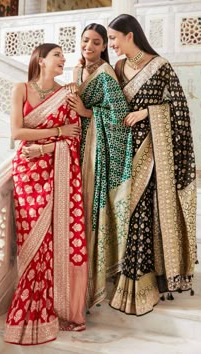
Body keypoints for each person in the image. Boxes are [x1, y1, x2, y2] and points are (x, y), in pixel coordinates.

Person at [107, 14, 197, 316]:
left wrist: (147, 113)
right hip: (123, 154)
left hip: (153, 153)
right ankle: (124, 276)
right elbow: (109, 104)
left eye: (113, 38)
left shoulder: (160, 67)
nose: (112, 45)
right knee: (125, 214)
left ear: (129, 35)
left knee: (143, 213)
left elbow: (179, 110)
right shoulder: (118, 69)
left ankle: (145, 281)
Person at [4, 43, 87, 345]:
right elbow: (16, 132)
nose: (63, 60)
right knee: (31, 242)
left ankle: (53, 306)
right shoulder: (20, 89)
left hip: (56, 172)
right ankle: (27, 305)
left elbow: (74, 138)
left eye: (64, 57)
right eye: (57, 56)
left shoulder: (67, 95)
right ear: (41, 60)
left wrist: (50, 145)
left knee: (51, 243)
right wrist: (57, 133)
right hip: (28, 175)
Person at [67, 23, 133, 309]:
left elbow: (119, 117)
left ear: (105, 45)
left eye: (96, 42)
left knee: (89, 213)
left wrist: (87, 112)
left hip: (95, 155)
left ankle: (88, 286)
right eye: (85, 41)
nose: (89, 47)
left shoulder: (106, 75)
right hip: (74, 150)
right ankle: (70, 282)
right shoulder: (77, 70)